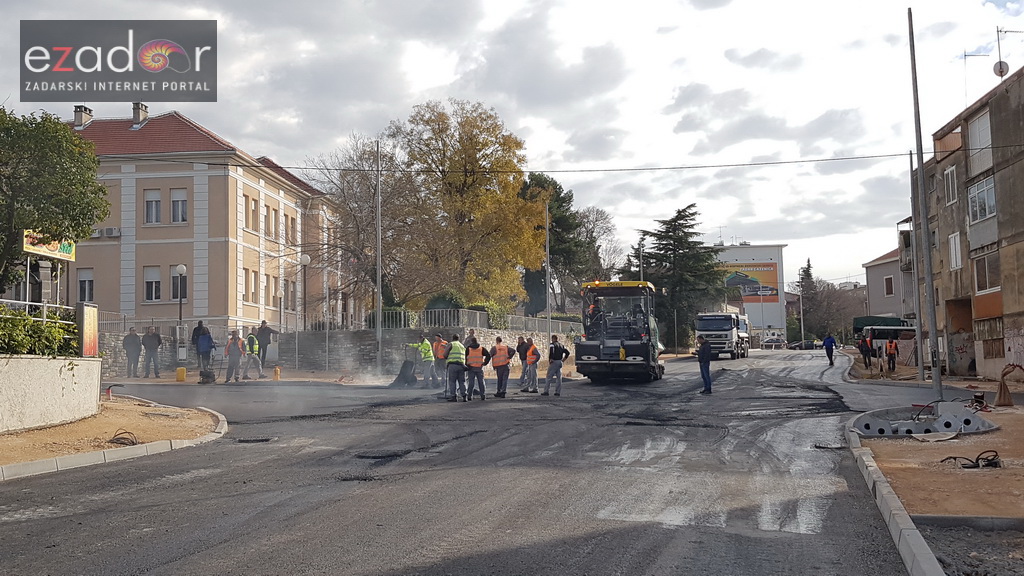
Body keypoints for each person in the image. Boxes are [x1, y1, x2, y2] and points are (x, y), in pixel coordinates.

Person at [465, 336, 491, 400]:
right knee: (481, 382)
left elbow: (464, 357)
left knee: (471, 383)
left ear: (471, 342)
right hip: (479, 367)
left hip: (471, 368)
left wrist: (466, 365)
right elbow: (488, 355)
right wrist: (485, 363)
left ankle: (469, 396)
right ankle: (483, 395)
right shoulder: (481, 349)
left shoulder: (468, 349)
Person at [444, 334, 468, 402]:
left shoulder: (451, 344)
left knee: (452, 381)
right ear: (458, 338)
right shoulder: (462, 346)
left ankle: (454, 396)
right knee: (462, 381)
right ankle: (464, 396)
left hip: (453, 365)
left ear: (452, 338)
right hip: (462, 365)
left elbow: (445, 355)